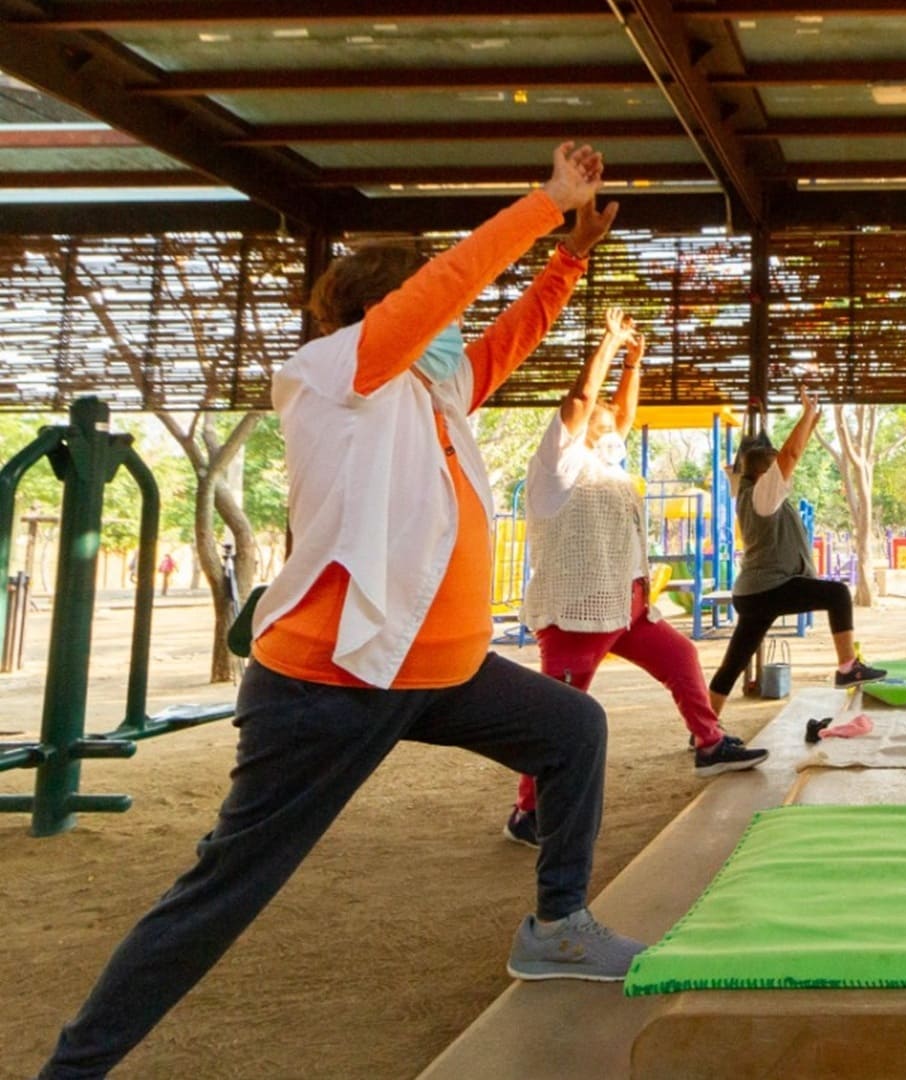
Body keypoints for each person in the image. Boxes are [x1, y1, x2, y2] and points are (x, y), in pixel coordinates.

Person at [38, 144, 643, 1080]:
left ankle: (557, 925)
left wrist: (568, 260)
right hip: (332, 682)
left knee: (574, 731)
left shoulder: (429, 391)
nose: (455, 322)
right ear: (386, 311)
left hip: (435, 674)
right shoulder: (338, 375)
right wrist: (543, 206)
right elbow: (446, 289)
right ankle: (74, 1068)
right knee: (221, 894)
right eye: (433, 307)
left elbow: (507, 339)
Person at [501, 308, 769, 847]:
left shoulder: (608, 464)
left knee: (682, 658)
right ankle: (525, 814)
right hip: (578, 616)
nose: (612, 426)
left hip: (628, 610)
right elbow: (582, 402)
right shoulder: (557, 465)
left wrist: (634, 363)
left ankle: (709, 743)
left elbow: (620, 417)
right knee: (559, 717)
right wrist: (608, 343)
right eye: (600, 422)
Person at [707, 388, 885, 714]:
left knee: (732, 665)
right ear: (765, 473)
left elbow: (758, 455)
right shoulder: (763, 494)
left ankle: (702, 729)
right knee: (837, 594)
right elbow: (789, 455)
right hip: (769, 587)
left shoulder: (745, 487)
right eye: (775, 468)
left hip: (754, 592)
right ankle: (849, 668)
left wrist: (808, 423)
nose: (785, 472)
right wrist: (805, 416)